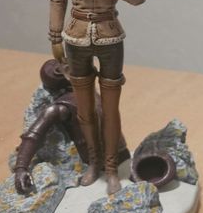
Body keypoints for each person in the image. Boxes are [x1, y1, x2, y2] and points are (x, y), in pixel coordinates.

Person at [48, 0, 145, 195]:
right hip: (76, 37)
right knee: (85, 109)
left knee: (111, 110)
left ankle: (112, 168)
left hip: (110, 36)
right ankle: (93, 163)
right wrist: (54, 36)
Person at [13, 60, 129, 195]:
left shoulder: (88, 88)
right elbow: (33, 135)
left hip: (117, 153)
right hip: (96, 158)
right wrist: (21, 167)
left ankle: (111, 171)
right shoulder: (61, 107)